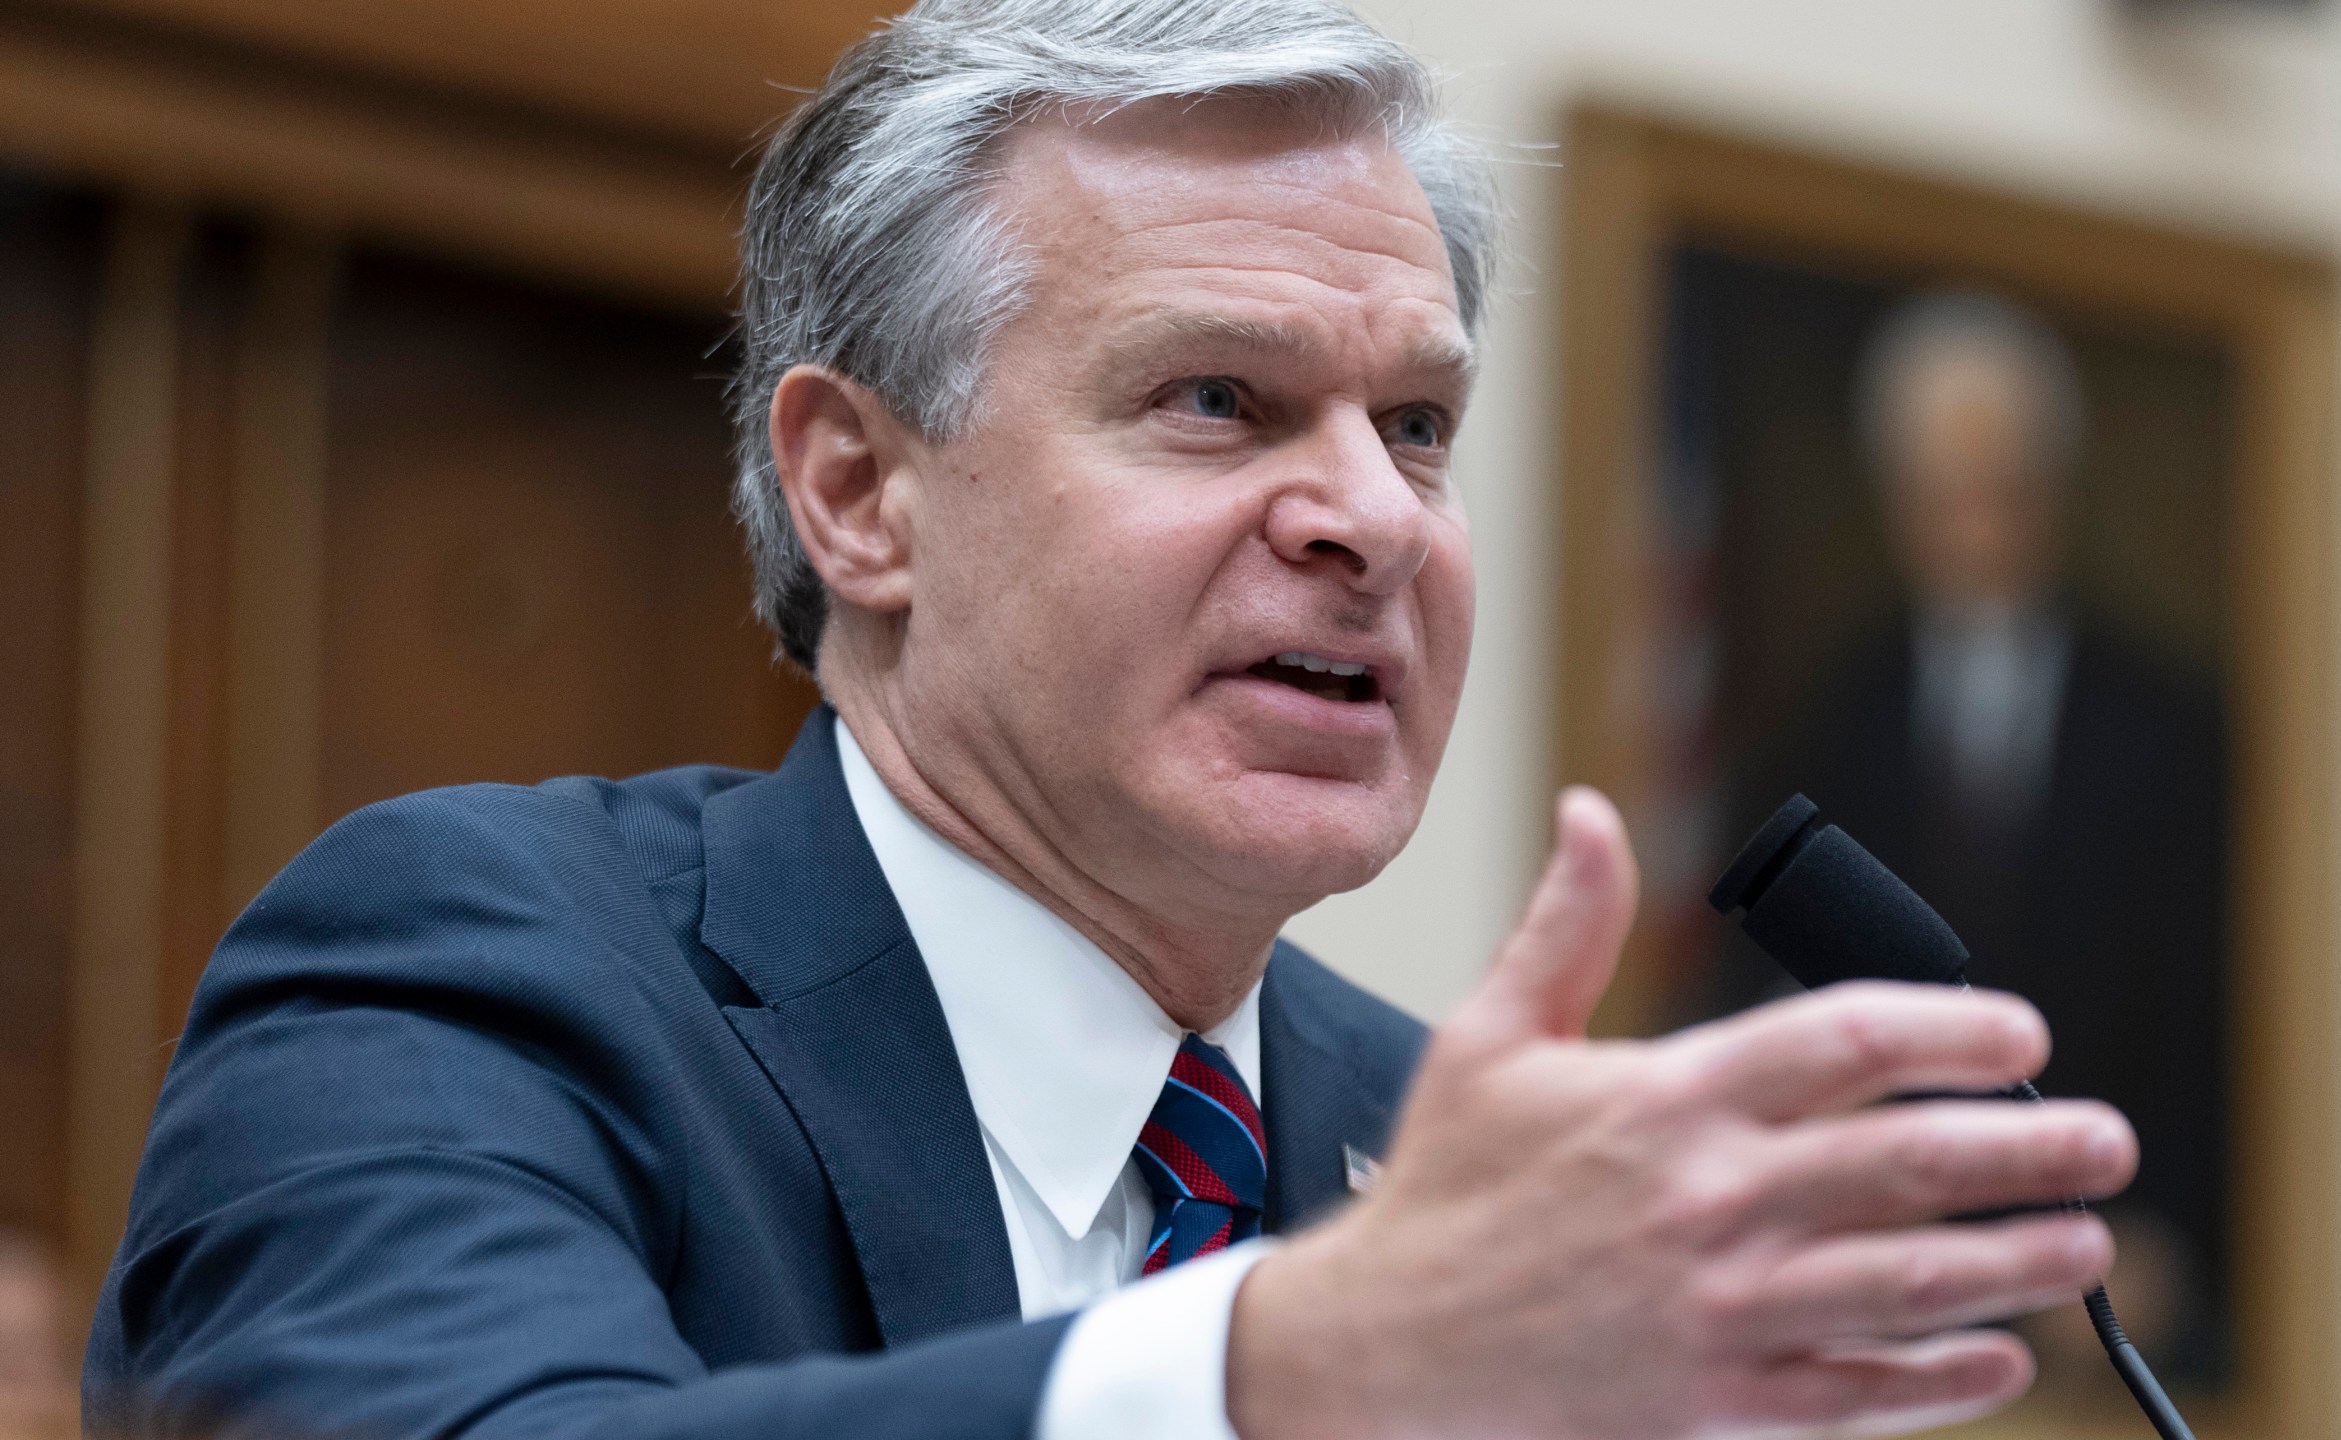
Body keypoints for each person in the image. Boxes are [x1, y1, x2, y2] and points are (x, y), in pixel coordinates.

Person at [85, 5, 2138, 1438]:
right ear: (859, 494)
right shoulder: (468, 976)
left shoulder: (1445, 1155)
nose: (1364, 517)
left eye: (1413, 425)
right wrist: (1279, 1377)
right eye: (1212, 402)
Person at [1728, 289, 2229, 1379]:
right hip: (1883, 1247)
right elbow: (1763, 978)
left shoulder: (2166, 730)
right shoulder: (1833, 716)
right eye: (1939, 494)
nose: (1974, 528)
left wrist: (2153, 1234)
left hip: (2100, 1249)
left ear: (2055, 486)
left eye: (2001, 489)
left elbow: (2206, 1018)